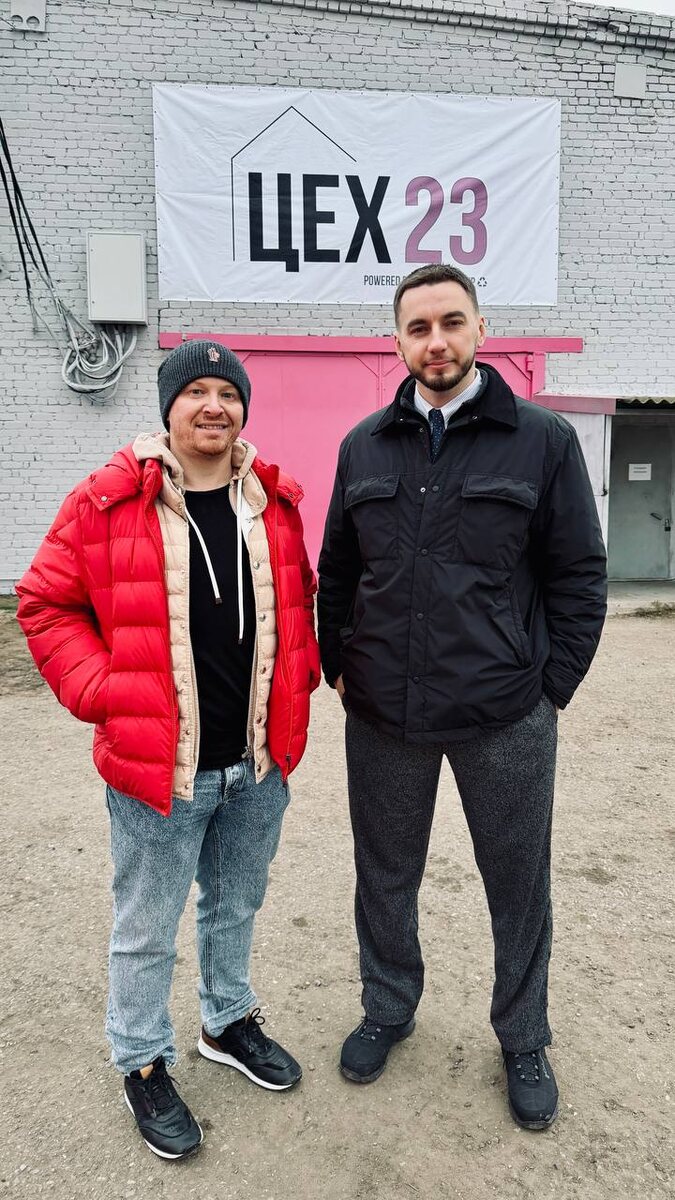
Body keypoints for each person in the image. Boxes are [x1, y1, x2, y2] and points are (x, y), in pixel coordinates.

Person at [317, 264, 607, 1130]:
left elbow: (578, 574)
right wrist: (338, 662)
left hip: (503, 715)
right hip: (384, 715)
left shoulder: (542, 440)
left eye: (450, 322)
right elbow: (338, 568)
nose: (435, 341)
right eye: (417, 327)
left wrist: (549, 688)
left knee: (517, 883)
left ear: (481, 329)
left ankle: (522, 1035)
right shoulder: (364, 446)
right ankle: (387, 1006)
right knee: (384, 874)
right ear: (396, 341)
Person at [17, 340, 321, 1160]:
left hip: (256, 764)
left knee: (235, 905)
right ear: (169, 407)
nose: (213, 405)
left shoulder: (273, 500)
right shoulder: (110, 499)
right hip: (159, 769)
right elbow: (44, 602)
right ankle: (142, 1059)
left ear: (244, 408)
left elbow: (300, 602)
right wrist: (104, 691)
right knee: (146, 927)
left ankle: (226, 1021)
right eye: (196, 391)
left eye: (228, 392)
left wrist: (298, 685)